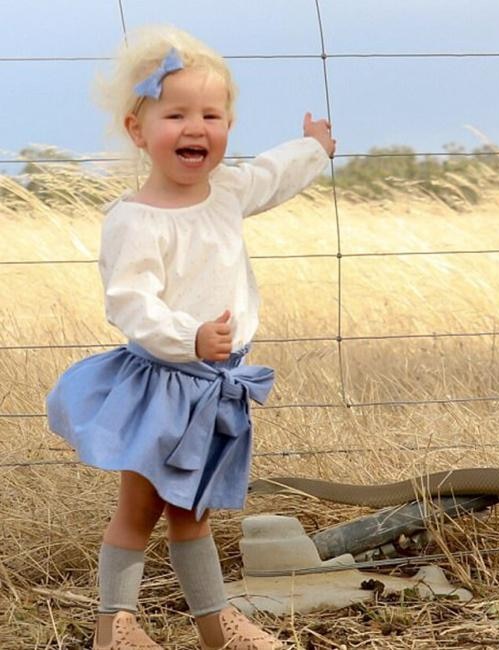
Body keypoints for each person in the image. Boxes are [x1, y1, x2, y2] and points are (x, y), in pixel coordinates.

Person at [46, 25, 335, 650]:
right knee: (140, 511)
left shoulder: (226, 192)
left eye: (212, 114)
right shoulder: (135, 219)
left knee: (193, 512)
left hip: (215, 386)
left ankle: (215, 624)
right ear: (137, 131)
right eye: (175, 114)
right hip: (164, 386)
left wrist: (313, 149)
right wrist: (189, 336)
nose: (196, 127)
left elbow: (270, 175)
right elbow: (131, 304)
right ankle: (113, 626)